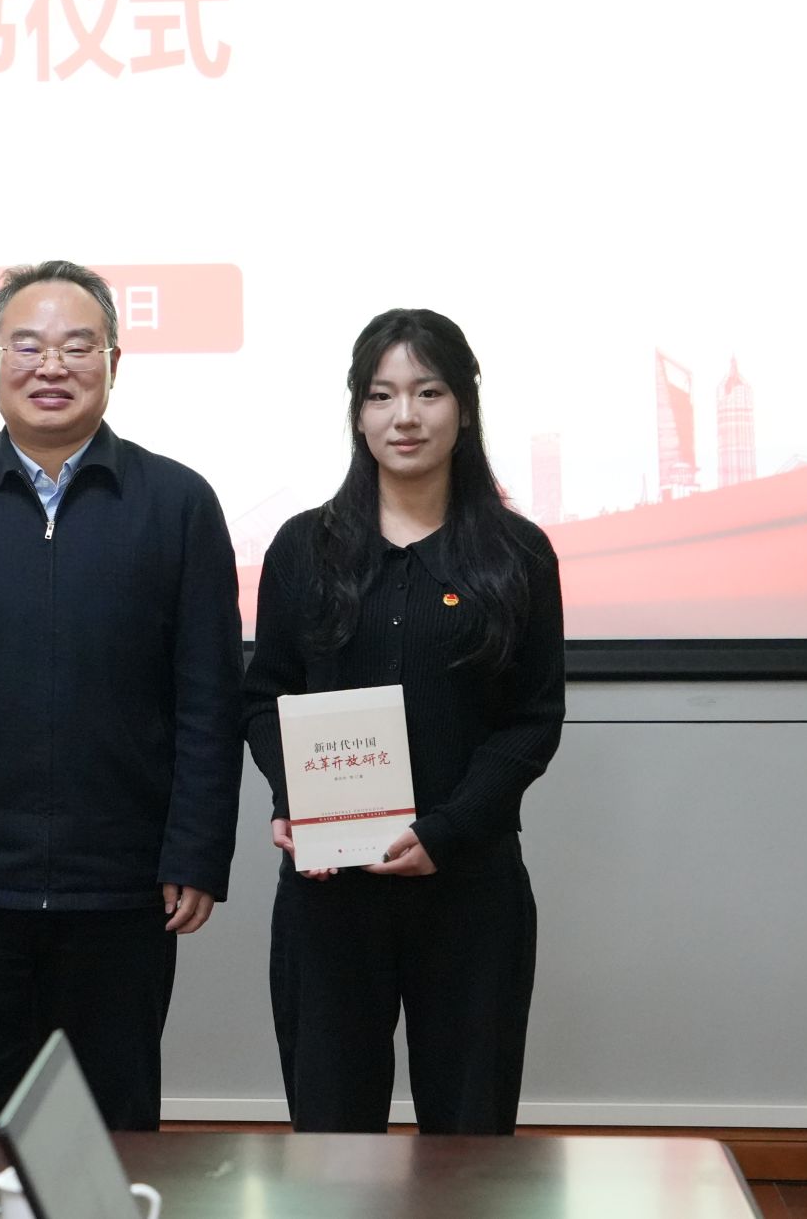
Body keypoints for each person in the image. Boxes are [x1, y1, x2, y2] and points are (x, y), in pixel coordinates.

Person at [0, 259, 244, 1132]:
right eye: (26, 345)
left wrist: (197, 850)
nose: (51, 365)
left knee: (114, 1124)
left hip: (123, 890)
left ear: (114, 361)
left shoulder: (178, 504)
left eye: (77, 346)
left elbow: (210, 701)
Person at [244, 307, 564, 1135]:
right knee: (331, 1143)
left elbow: (533, 720)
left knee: (469, 1142)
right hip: (329, 895)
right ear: (358, 413)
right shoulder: (303, 549)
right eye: (382, 395)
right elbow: (265, 694)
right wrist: (294, 799)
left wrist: (445, 832)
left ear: (464, 406)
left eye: (429, 392)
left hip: (470, 890)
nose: (406, 416)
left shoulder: (518, 553)